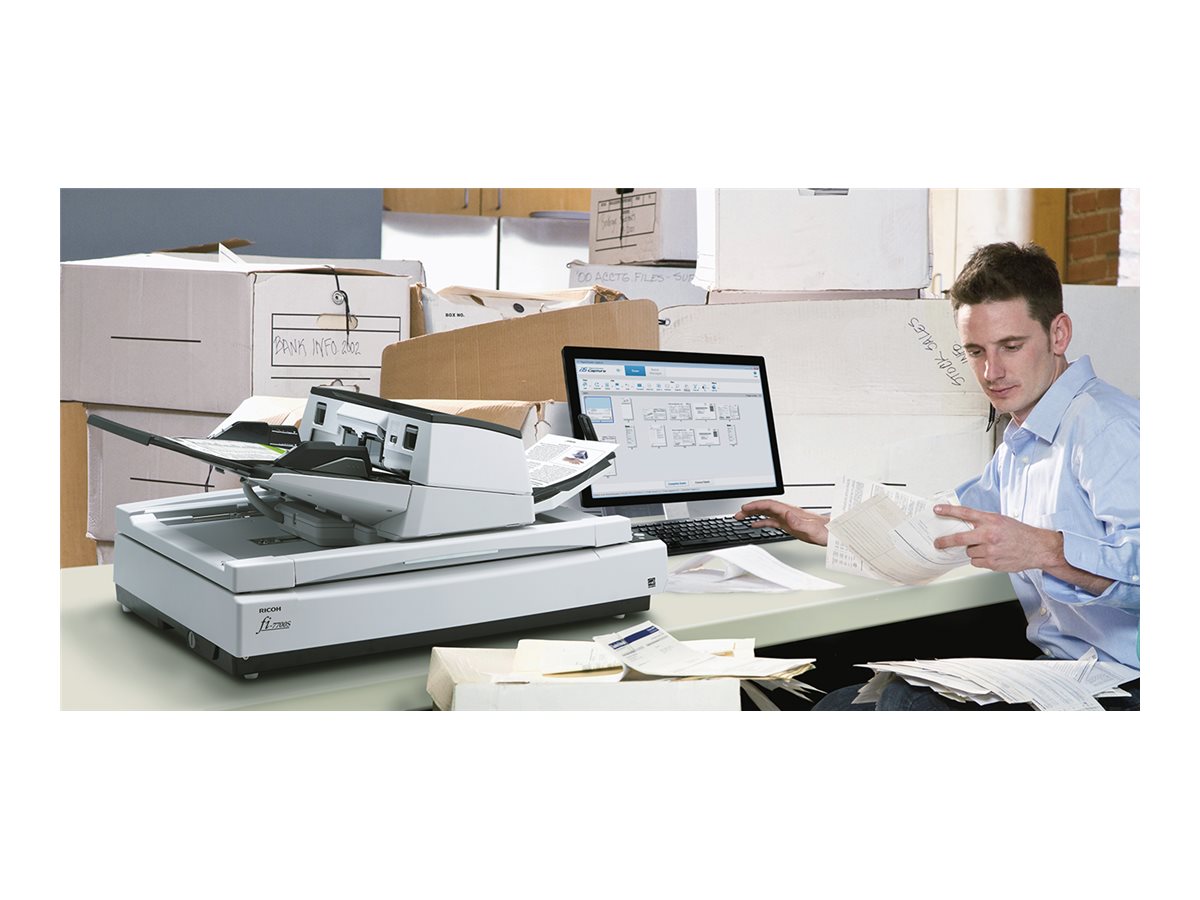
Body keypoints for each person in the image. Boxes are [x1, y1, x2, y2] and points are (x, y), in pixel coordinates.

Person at [735, 242, 1140, 710]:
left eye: (1011, 346)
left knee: (883, 706)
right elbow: (944, 520)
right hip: (1062, 670)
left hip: (1128, 683)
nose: (991, 371)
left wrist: (1046, 549)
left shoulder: (1107, 428)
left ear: (1059, 334)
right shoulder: (1022, 443)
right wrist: (831, 528)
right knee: (842, 703)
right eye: (975, 351)